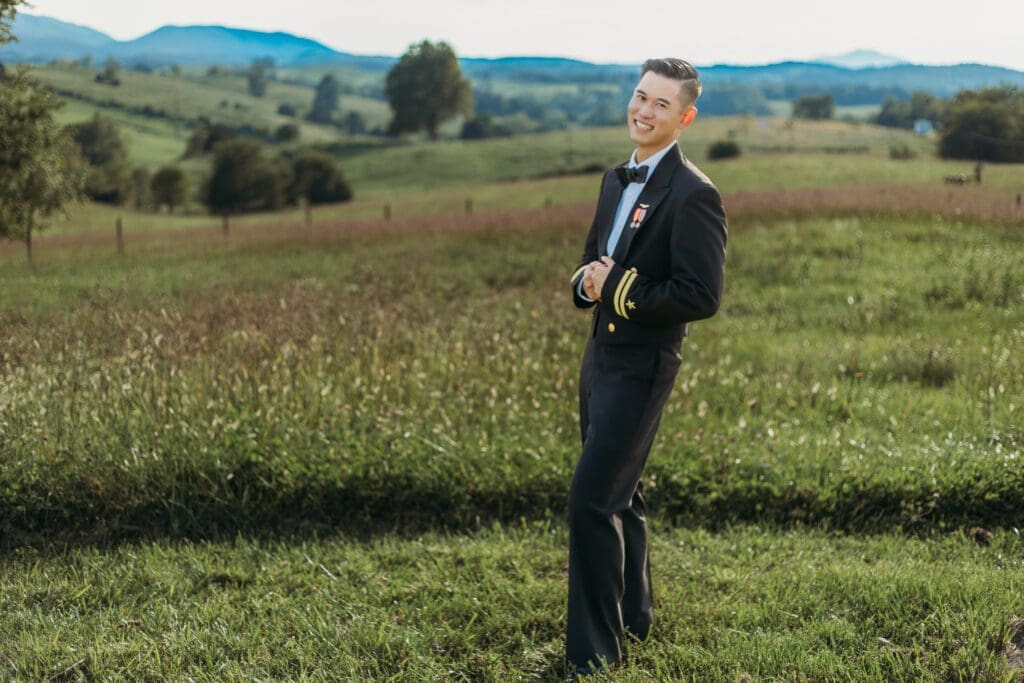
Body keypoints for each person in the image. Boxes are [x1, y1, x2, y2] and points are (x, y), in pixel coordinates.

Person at [566, 57, 728, 677]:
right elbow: (593, 258)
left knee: (590, 502)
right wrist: (588, 285)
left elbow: (700, 296)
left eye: (661, 104)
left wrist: (615, 289)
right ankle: (636, 618)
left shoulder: (694, 194)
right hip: (600, 358)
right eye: (640, 96)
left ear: (684, 117)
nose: (644, 110)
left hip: (644, 366)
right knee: (620, 493)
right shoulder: (615, 178)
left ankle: (593, 657)